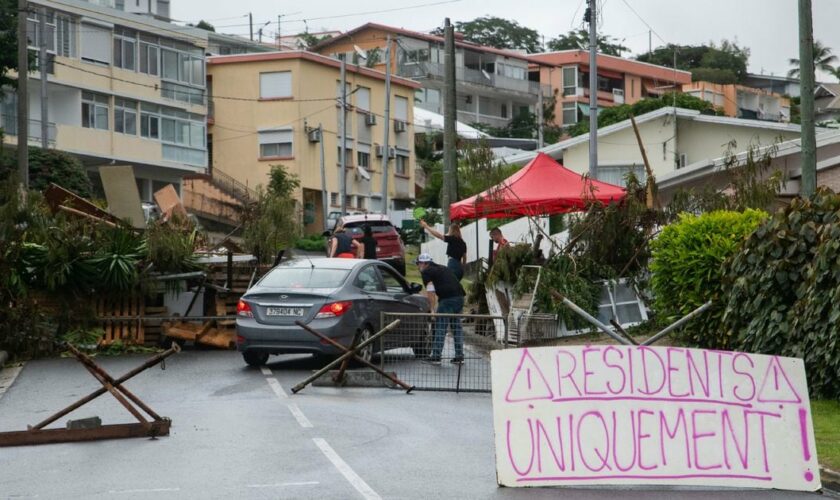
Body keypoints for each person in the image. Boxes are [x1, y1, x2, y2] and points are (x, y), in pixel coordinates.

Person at [416, 253, 465, 365]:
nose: (418, 266)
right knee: (456, 327)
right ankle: (459, 356)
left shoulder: (426, 272)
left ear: (424, 263)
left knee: (440, 327)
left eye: (418, 263)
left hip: (447, 300)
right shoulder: (442, 268)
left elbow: (431, 292)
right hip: (460, 298)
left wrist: (432, 310)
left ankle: (436, 356)